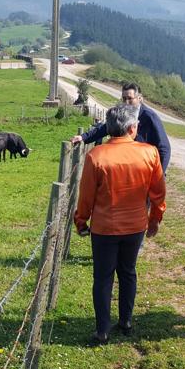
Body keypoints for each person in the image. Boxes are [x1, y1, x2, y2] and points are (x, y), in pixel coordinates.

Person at [74, 103, 166, 345]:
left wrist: (81, 221)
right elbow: (158, 193)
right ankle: (125, 320)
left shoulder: (96, 156)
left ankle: (102, 330)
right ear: (132, 128)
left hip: (104, 228)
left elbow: (86, 196)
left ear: (110, 128)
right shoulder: (150, 153)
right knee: (128, 272)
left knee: (103, 277)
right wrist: (155, 219)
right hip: (135, 226)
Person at [71, 83, 171, 172]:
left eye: (130, 98)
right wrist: (83, 137)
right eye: (124, 99)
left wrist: (160, 175)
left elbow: (164, 148)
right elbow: (105, 128)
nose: (126, 102)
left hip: (146, 168)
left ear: (140, 98)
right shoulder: (124, 114)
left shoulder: (150, 117)